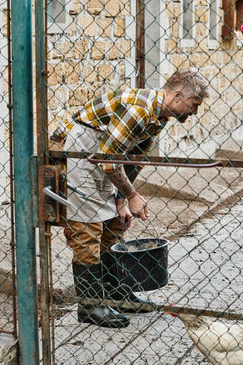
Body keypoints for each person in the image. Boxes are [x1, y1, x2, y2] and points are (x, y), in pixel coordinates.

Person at [51, 68, 209, 328]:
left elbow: (134, 160)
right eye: (194, 105)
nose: (194, 113)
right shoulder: (138, 109)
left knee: (115, 223)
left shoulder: (159, 118)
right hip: (80, 149)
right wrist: (131, 195)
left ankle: (116, 295)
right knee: (86, 230)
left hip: (104, 155)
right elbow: (107, 158)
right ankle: (90, 306)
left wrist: (122, 200)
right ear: (178, 95)